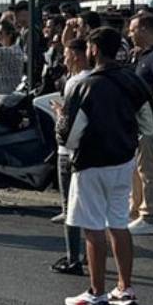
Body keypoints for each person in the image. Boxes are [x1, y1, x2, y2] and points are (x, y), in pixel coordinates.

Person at [59, 27, 149, 305]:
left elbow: (69, 136)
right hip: (123, 161)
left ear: (93, 49)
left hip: (90, 163)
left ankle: (96, 293)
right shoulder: (133, 80)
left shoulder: (84, 86)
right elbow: (148, 124)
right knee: (119, 224)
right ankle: (124, 287)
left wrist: (60, 117)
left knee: (93, 228)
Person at [47, 37, 90, 274]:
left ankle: (73, 256)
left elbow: (68, 121)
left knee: (69, 206)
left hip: (68, 150)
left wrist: (59, 112)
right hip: (90, 150)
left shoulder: (75, 82)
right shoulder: (96, 78)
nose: (63, 58)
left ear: (75, 54)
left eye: (66, 54)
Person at [126, 12, 153, 235]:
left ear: (145, 29)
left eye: (133, 29)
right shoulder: (143, 56)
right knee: (138, 167)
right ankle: (136, 209)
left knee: (147, 169)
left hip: (150, 124)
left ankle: (149, 215)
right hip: (140, 122)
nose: (130, 34)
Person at [0, 21, 26, 94]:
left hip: (13, 95)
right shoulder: (2, 49)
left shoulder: (15, 50)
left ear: (10, 34)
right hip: (1, 93)